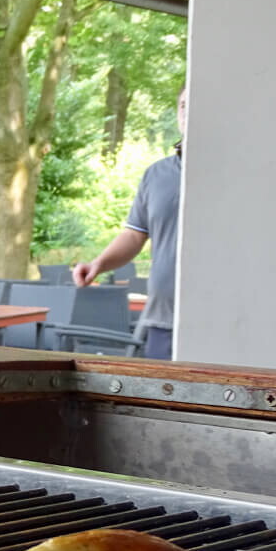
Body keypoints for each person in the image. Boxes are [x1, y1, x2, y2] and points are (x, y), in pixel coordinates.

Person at [72, 87, 186, 359]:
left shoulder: (237, 174)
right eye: (183, 105)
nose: (188, 112)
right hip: (162, 322)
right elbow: (135, 235)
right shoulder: (156, 175)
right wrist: (99, 263)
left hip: (223, 320)